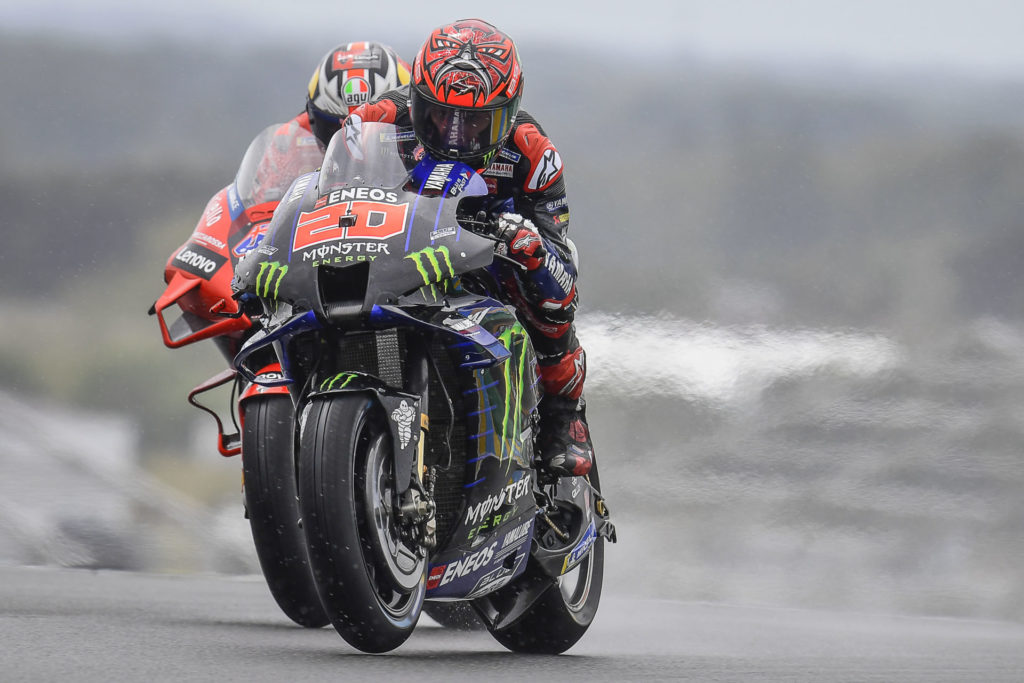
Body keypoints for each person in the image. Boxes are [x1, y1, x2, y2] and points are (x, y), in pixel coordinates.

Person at [345, 19, 593, 478]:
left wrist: (529, 246)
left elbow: (564, 273)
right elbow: (330, 187)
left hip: (488, 259)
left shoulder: (533, 152)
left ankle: (564, 413)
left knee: (553, 299)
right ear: (417, 99)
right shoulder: (374, 119)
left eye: (476, 121)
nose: (455, 136)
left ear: (507, 111)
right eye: (440, 115)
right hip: (397, 248)